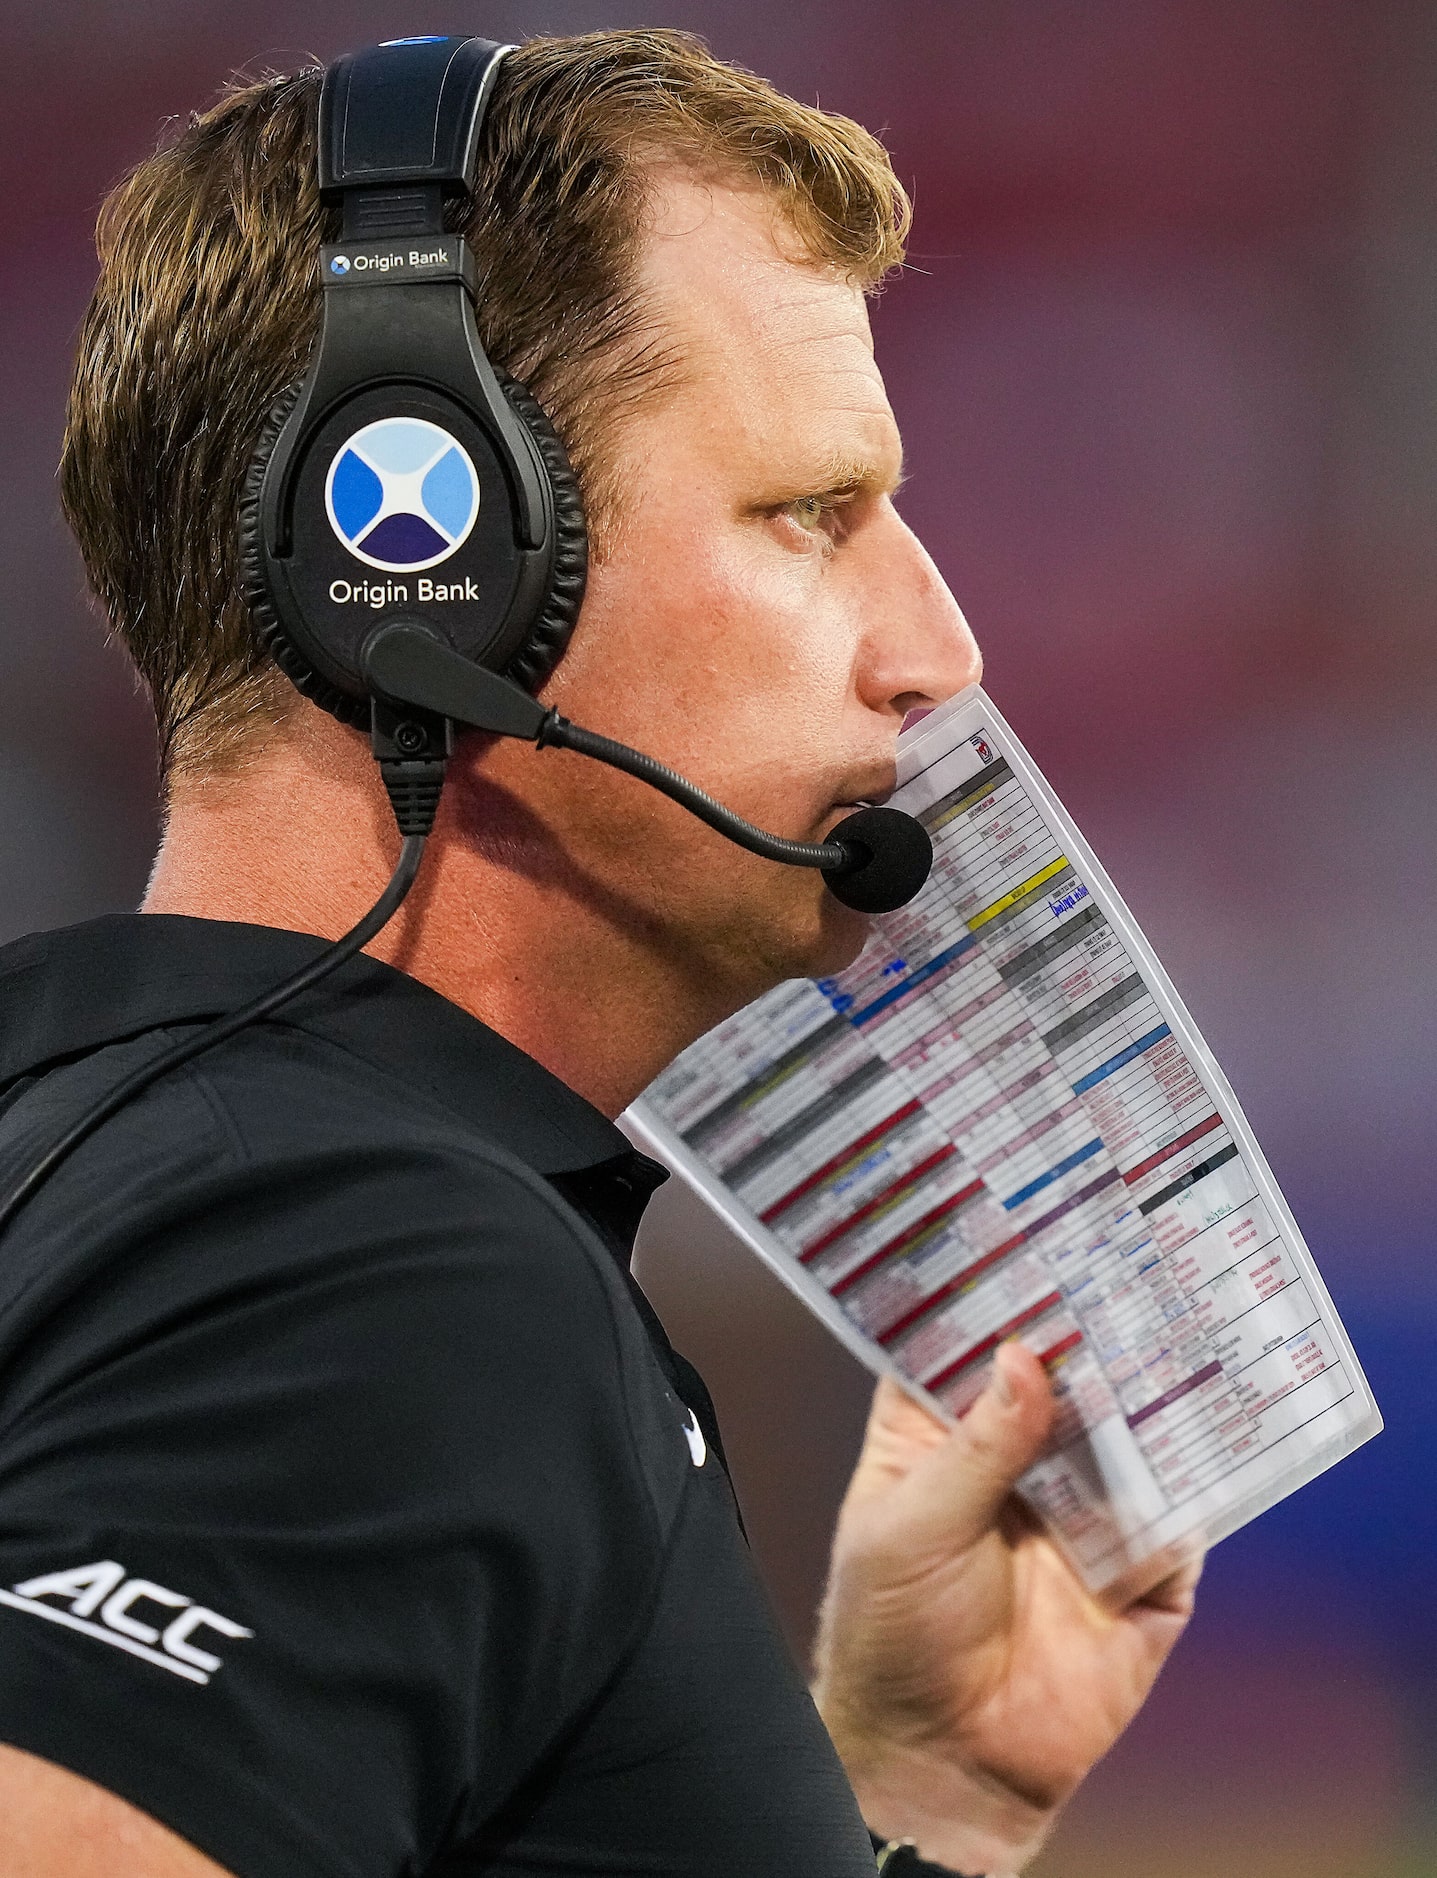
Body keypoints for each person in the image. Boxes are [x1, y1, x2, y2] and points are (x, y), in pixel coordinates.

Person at [0, 29, 1200, 1878]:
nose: (937, 647)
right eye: (811, 514)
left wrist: (917, 1801)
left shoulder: (144, 1159)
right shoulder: (367, 1257)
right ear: (426, 564)